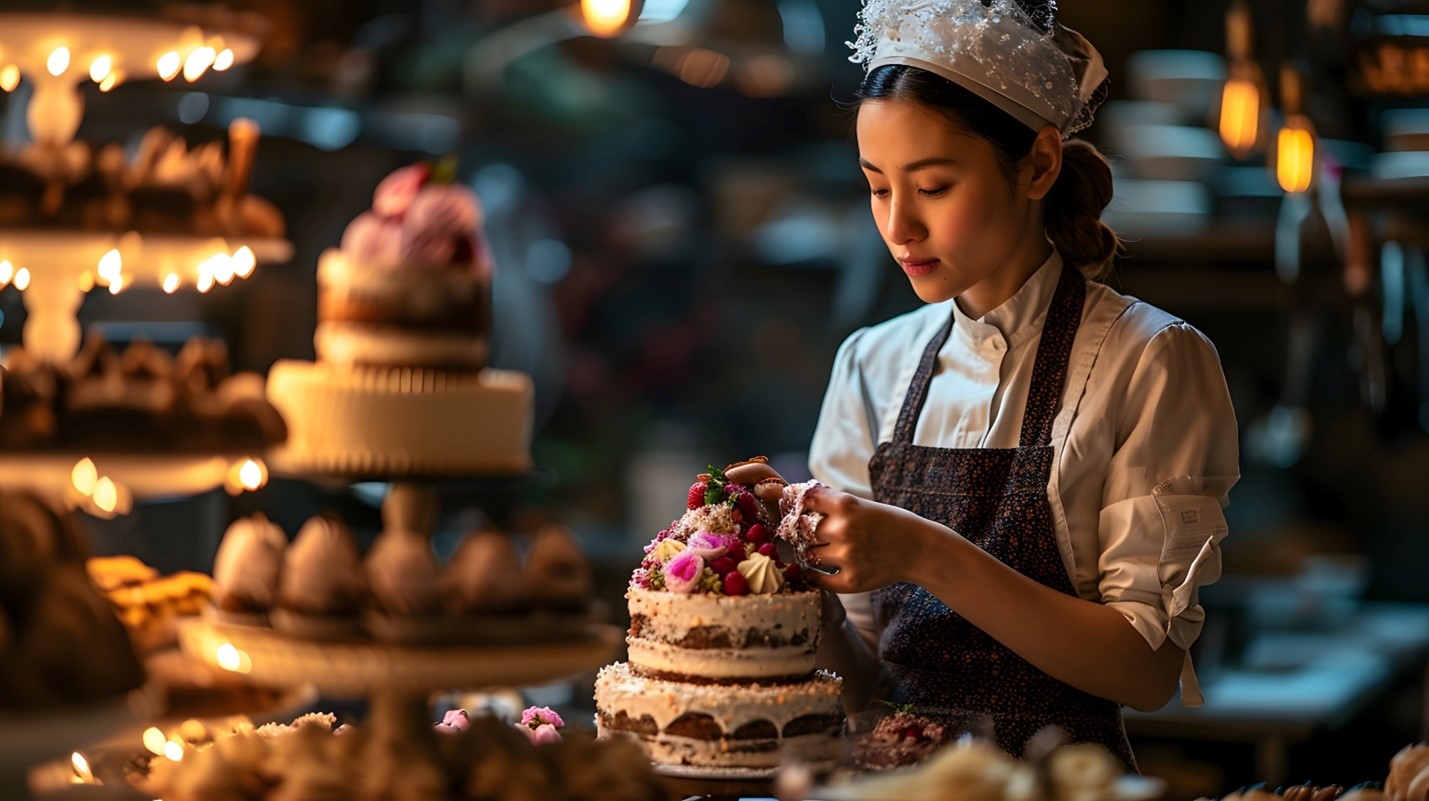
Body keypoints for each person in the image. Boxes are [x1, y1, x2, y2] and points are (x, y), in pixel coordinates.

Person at [801, 0, 1240, 771]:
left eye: (932, 185)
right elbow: (866, 682)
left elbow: (1142, 668)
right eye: (876, 187)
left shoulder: (1150, 358)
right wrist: (791, 587)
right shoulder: (869, 365)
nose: (898, 226)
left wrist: (921, 550)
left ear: (1037, 165)